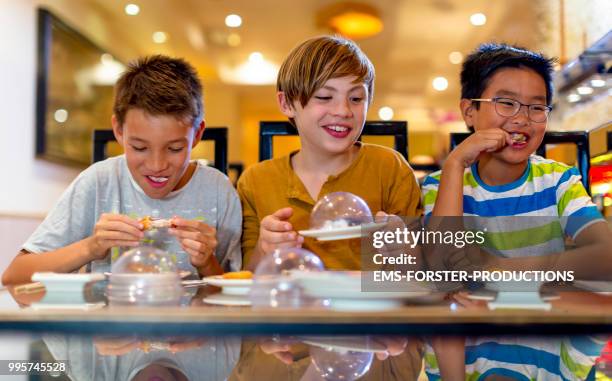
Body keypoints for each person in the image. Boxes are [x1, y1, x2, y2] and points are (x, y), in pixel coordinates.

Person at [422, 42, 611, 380]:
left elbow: (606, 258)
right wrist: (454, 164)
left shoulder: (558, 181)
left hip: (547, 343)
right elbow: (443, 274)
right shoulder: (440, 186)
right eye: (506, 103)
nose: (522, 119)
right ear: (469, 111)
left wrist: (497, 268)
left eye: (537, 108)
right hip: (463, 347)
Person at [2, 55, 241, 285]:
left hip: (190, 325)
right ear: (118, 130)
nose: (157, 165)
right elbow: (14, 276)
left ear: (197, 134)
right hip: (106, 323)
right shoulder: (99, 182)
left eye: (175, 148)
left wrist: (207, 263)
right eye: (139, 147)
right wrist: (91, 247)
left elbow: (240, 297)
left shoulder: (219, 190)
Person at [237, 35, 421, 272]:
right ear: (287, 104)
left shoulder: (389, 168)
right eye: (324, 97)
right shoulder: (256, 182)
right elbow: (245, 275)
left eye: (356, 98)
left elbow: (419, 271)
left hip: (369, 307)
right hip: (289, 306)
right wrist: (265, 249)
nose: (343, 110)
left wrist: (403, 250)